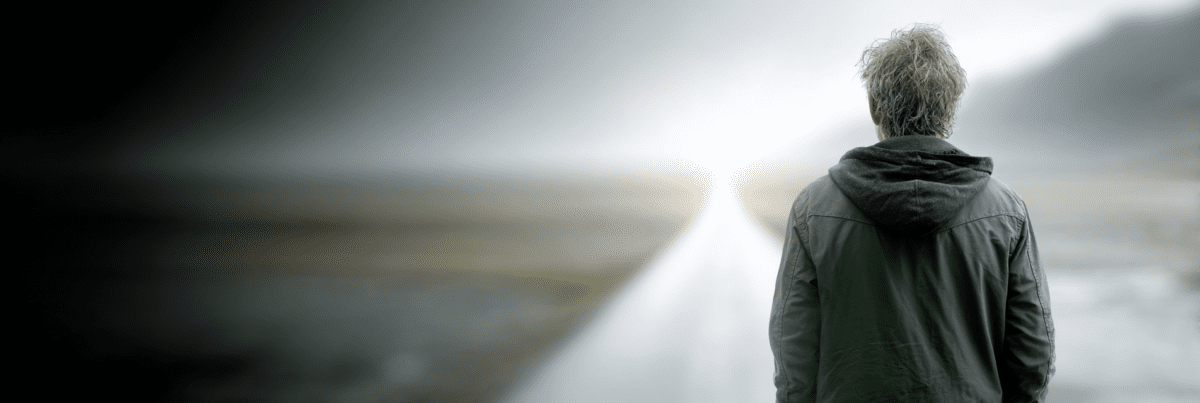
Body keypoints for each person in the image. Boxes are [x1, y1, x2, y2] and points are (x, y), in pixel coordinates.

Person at [768, 25, 1055, 402]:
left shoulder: (814, 208)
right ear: (950, 107)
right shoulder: (1006, 211)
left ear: (874, 107)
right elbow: (1033, 353)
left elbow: (793, 349)